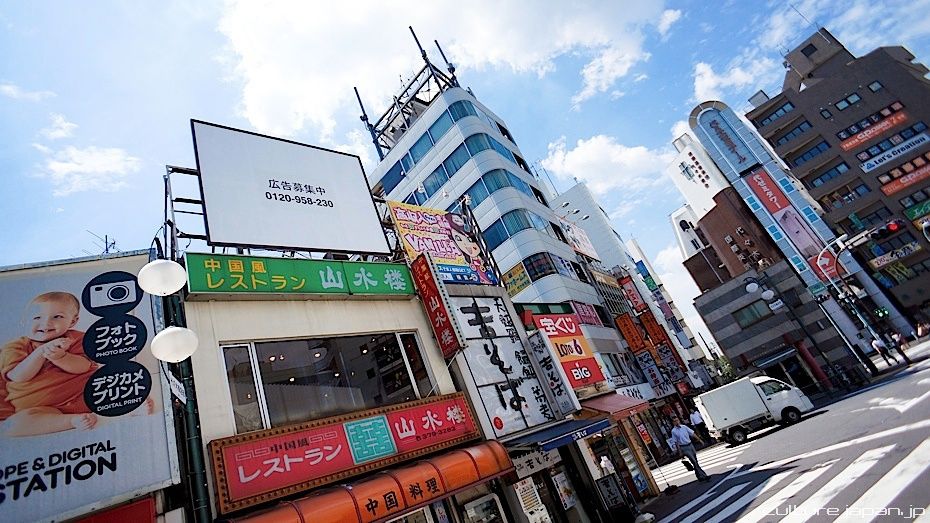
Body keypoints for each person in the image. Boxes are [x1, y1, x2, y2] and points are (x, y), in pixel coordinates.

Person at [0, 292, 98, 436]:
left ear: (72, 321)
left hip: (83, 397)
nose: (46, 323)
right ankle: (71, 421)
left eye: (57, 317)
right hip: (41, 409)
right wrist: (41, 352)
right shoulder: (15, 346)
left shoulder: (78, 339)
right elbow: (18, 376)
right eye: (37, 317)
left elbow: (84, 366)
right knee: (12, 426)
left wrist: (61, 357)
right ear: (24, 322)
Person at [670, 415, 709, 482]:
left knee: (695, 461)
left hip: (690, 445)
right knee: (693, 461)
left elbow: (692, 433)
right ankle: (704, 475)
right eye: (675, 421)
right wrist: (680, 452)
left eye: (677, 420)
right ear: (673, 423)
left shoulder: (684, 427)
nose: (677, 422)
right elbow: (676, 442)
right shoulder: (673, 431)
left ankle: (699, 476)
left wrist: (700, 440)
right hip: (684, 447)